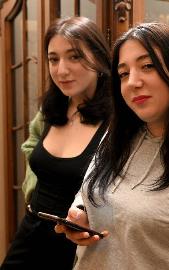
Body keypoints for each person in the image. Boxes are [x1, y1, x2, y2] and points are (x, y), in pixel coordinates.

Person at [55, 22, 169, 269]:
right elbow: (93, 193)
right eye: (123, 73)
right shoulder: (116, 138)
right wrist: (80, 213)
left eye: (147, 66)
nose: (132, 82)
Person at [0, 17, 111, 269]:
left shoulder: (117, 121)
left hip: (77, 245)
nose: (61, 70)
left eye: (74, 57)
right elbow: (30, 149)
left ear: (99, 58)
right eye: (53, 59)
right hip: (31, 229)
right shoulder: (51, 110)